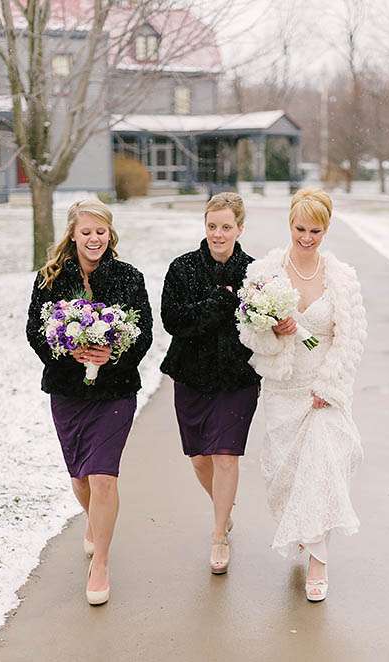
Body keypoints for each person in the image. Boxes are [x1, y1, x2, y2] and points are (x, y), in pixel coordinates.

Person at [238, 188, 367, 601]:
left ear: (326, 230)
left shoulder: (342, 278)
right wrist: (273, 332)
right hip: (282, 387)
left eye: (315, 230)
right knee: (287, 475)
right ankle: (301, 528)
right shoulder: (265, 273)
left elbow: (351, 340)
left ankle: (318, 562)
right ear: (288, 224)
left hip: (323, 386)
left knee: (324, 466)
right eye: (300, 229)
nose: (307, 237)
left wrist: (329, 387)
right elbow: (248, 334)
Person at [25, 199, 152, 605]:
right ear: (73, 234)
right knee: (81, 477)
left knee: (103, 477)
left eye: (100, 231)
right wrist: (68, 349)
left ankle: (102, 561)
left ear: (109, 234)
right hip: (67, 391)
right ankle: (95, 522)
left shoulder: (129, 277)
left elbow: (144, 331)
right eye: (86, 232)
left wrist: (109, 355)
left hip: (115, 392)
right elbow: (34, 330)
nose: (94, 238)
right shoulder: (51, 278)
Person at [160, 192, 261, 574]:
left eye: (226, 227)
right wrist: (220, 303)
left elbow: (258, 324)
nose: (218, 234)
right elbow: (174, 320)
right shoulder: (182, 268)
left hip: (237, 376)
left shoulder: (255, 272)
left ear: (240, 228)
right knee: (200, 458)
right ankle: (225, 507)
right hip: (191, 375)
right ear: (205, 226)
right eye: (212, 226)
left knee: (225, 455)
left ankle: (219, 534)